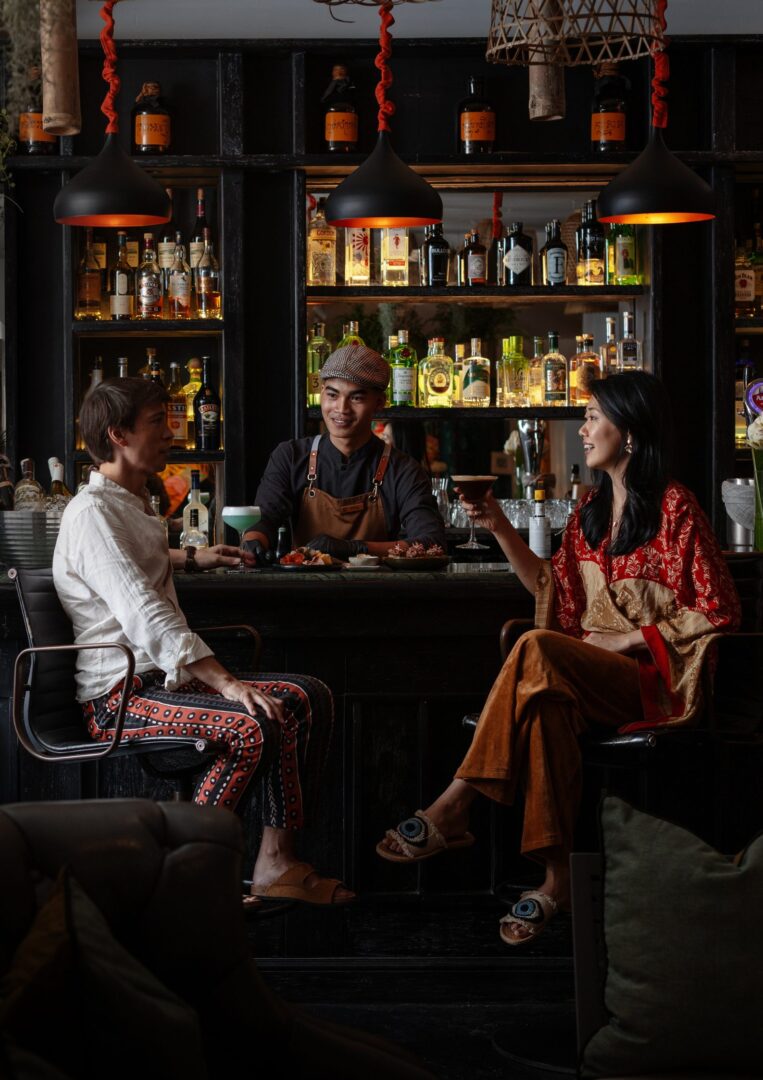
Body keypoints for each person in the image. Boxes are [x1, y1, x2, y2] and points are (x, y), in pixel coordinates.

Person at [376, 371, 741, 944]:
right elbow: (553, 589)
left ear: (631, 432)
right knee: (544, 706)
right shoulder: (591, 509)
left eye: (593, 418)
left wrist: (627, 640)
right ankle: (556, 881)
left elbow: (720, 610)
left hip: (654, 682)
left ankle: (456, 802)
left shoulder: (675, 507)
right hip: (583, 675)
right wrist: (499, 526)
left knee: (534, 646)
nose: (584, 429)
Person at [53, 377, 353, 906]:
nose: (171, 434)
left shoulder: (130, 502)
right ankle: (188, 881)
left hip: (158, 681)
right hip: (119, 695)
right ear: (118, 434)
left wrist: (193, 557)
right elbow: (143, 612)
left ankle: (276, 863)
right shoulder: (92, 513)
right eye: (157, 423)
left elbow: (128, 563)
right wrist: (228, 684)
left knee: (307, 697)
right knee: (250, 724)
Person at [243, 344, 446, 561]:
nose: (341, 409)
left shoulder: (403, 469)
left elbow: (431, 542)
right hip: (304, 582)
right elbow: (264, 519)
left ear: (379, 403)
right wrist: (253, 542)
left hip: (378, 582)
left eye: (356, 398)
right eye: (332, 395)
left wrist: (354, 548)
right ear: (322, 393)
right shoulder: (291, 456)